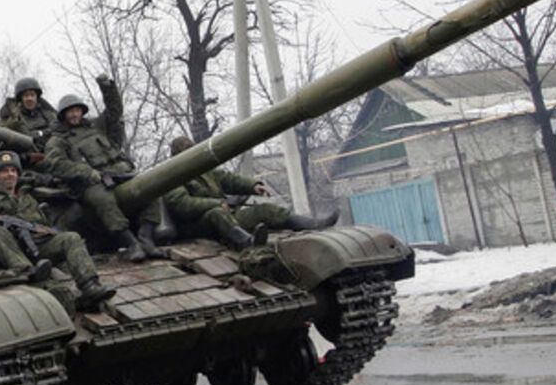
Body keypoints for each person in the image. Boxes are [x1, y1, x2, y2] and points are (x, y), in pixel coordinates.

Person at [0, 151, 115, 308]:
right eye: (4, 171)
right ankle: (28, 271)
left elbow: (41, 221)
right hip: (10, 251)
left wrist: (45, 230)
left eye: (13, 171)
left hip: (37, 244)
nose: (10, 175)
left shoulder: (26, 194)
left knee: (71, 238)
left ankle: (89, 285)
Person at [43, 75, 165, 261]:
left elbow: (114, 112)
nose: (75, 115)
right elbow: (56, 164)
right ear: (63, 115)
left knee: (150, 187)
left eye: (77, 110)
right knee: (104, 201)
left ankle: (146, 237)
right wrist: (87, 172)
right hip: (90, 184)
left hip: (121, 173)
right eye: (70, 112)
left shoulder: (96, 127)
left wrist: (108, 88)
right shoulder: (58, 140)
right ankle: (130, 243)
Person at [162, 135, 337, 247]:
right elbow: (182, 205)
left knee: (266, 210)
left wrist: (253, 186)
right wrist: (217, 203)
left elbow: (229, 179)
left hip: (227, 217)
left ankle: (313, 224)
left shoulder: (205, 171)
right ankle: (248, 242)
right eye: (186, 151)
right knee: (217, 213)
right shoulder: (170, 177)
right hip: (196, 226)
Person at [0, 76, 58, 154]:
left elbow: (58, 130)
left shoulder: (48, 114)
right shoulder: (12, 116)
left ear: (37, 97)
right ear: (21, 99)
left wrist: (40, 134)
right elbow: (4, 134)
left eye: (32, 95)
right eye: (26, 96)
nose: (29, 98)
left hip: (50, 153)